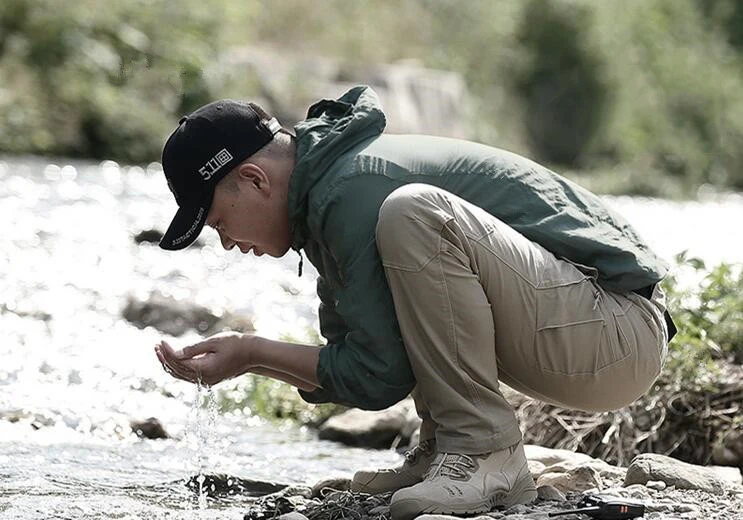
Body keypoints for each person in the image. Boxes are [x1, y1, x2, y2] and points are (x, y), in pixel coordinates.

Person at [153, 85, 675, 520]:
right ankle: (446, 446)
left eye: (218, 221)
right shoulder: (326, 198)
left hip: (617, 330)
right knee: (407, 229)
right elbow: (364, 363)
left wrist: (253, 353)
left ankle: (484, 453)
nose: (225, 242)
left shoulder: (352, 190)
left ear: (254, 179)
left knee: (414, 212)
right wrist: (250, 354)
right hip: (583, 330)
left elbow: (378, 373)